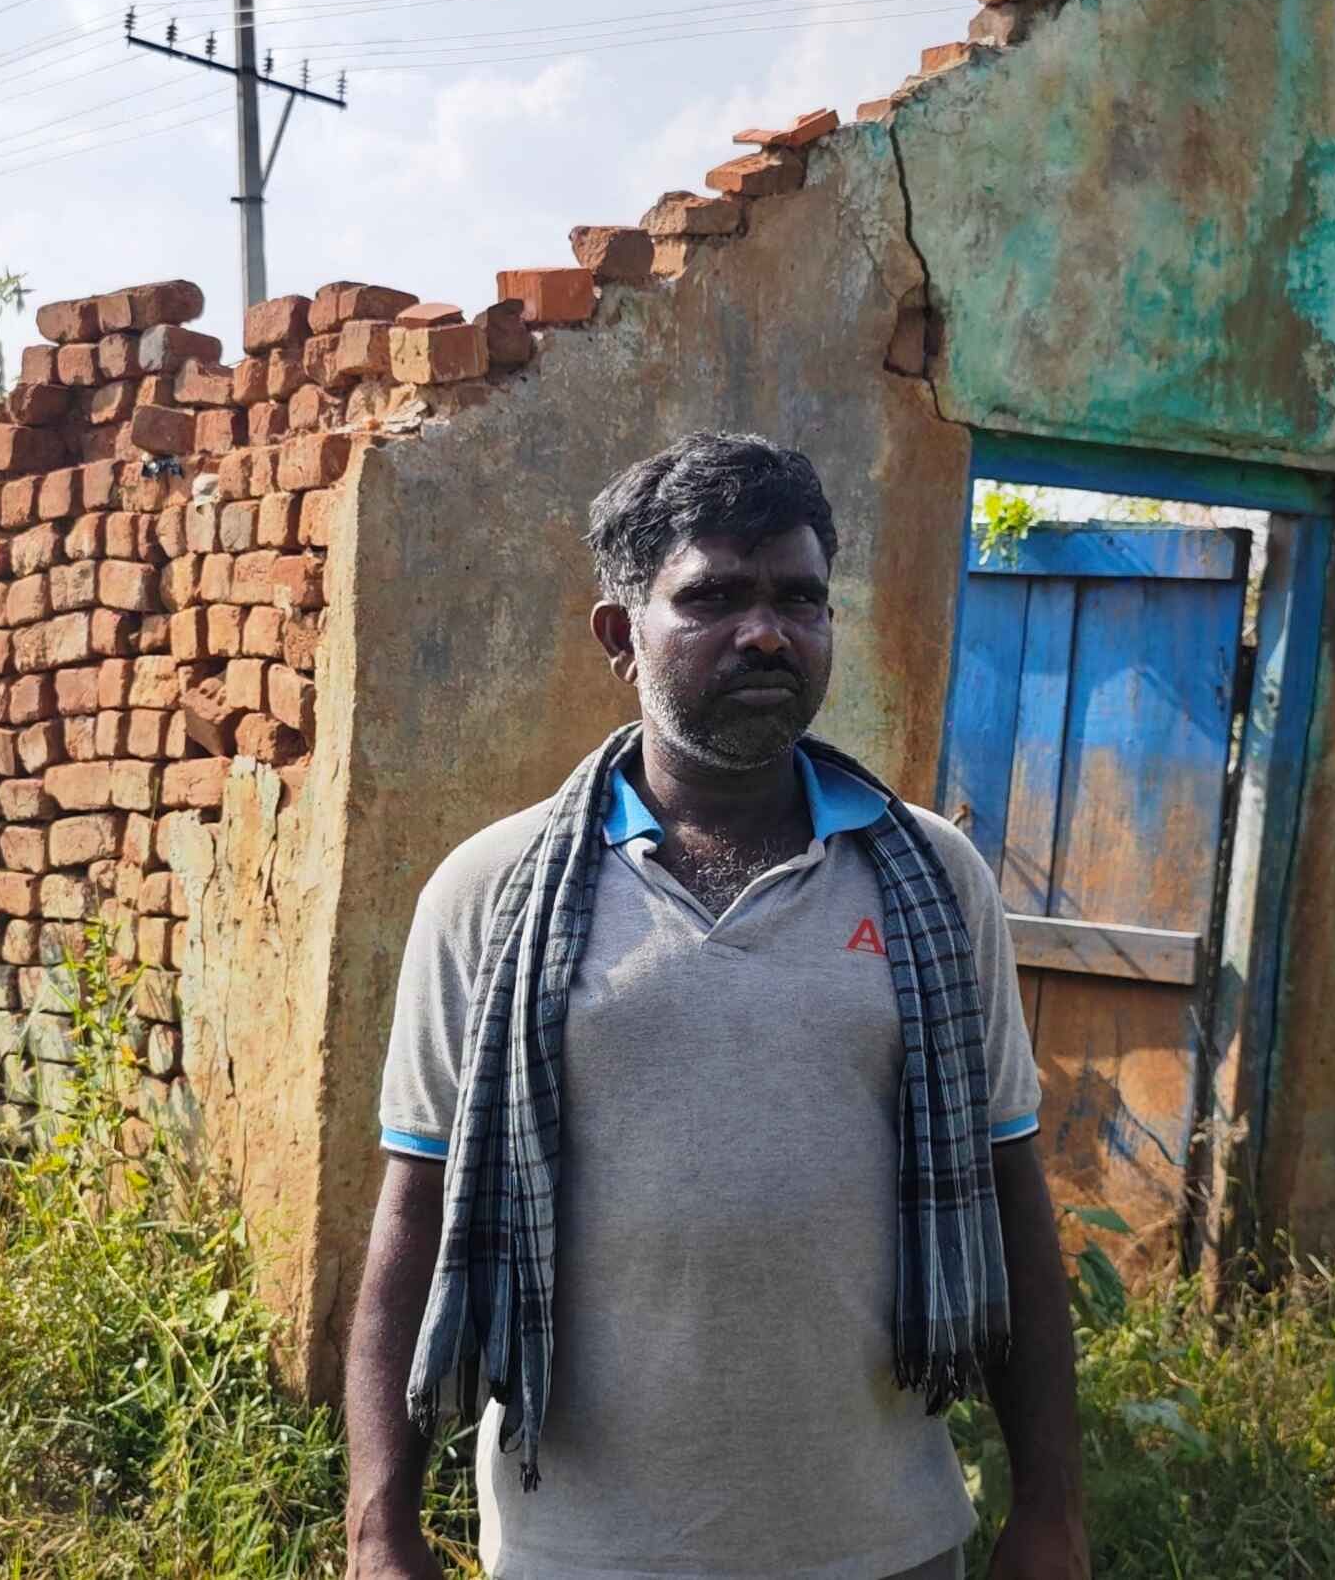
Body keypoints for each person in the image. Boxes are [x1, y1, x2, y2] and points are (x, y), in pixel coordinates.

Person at [342, 431, 1090, 1580]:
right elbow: (414, 1216)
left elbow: (1006, 1193)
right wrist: (377, 1529)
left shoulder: (935, 882)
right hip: (581, 1545)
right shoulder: (492, 892)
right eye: (714, 597)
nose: (766, 631)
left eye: (799, 596)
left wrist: (1049, 1509)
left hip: (880, 1537)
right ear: (617, 636)